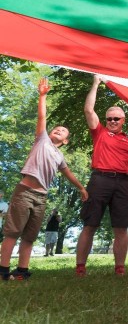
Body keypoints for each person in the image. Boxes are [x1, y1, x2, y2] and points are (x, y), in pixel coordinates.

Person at [1, 78, 87, 281]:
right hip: (24, 192)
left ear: (65, 141)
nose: (58, 130)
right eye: (56, 128)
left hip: (41, 197)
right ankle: (3, 269)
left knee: (30, 235)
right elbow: (42, 117)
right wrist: (42, 95)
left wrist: (82, 188)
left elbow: (69, 174)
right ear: (49, 132)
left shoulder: (59, 156)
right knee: (13, 231)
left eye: (63, 131)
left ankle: (22, 270)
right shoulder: (42, 140)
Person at [76, 75, 128, 277]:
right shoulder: (100, 132)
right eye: (109, 118)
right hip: (100, 180)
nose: (112, 121)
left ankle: (120, 268)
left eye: (116, 119)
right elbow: (88, 110)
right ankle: (80, 268)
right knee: (90, 224)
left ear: (123, 121)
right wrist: (95, 83)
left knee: (121, 227)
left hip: (123, 183)